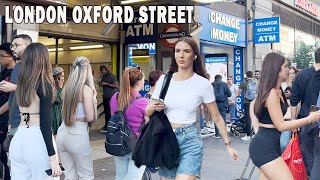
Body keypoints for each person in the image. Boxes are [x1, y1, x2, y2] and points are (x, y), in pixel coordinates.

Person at [146, 37, 239, 180]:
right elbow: (147, 112)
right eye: (177, 51)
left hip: (190, 140)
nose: (181, 55)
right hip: (166, 139)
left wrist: (228, 145)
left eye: (186, 51)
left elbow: (217, 116)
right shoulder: (165, 80)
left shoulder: (202, 84)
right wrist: (153, 106)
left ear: (194, 56)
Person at [249, 52, 320, 180]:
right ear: (276, 69)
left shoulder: (278, 90)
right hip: (264, 147)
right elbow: (281, 125)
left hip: (270, 145)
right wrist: (309, 119)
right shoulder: (272, 93)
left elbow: (277, 114)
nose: (289, 69)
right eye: (285, 66)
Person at [9, 43, 62, 179]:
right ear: (44, 59)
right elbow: (45, 124)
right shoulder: (45, 86)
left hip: (19, 138)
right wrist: (53, 158)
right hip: (37, 139)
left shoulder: (21, 85)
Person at [56, 57, 97, 180]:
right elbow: (90, 117)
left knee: (70, 175)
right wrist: (94, 99)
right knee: (86, 175)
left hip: (62, 132)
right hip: (78, 134)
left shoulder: (66, 89)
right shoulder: (86, 89)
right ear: (87, 70)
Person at [109, 66, 149, 180]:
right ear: (139, 82)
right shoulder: (142, 102)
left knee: (120, 177)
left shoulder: (115, 98)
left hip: (119, 143)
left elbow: (114, 119)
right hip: (137, 145)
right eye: (143, 80)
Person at [291, 47, 320, 179]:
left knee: (308, 157)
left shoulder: (301, 75)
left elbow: (294, 101)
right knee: (318, 160)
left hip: (305, 121)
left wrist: (293, 123)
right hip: (316, 122)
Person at [0, 34, 32, 140]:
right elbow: (12, 99)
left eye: (16, 45)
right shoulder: (17, 67)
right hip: (12, 123)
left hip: (27, 124)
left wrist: (15, 88)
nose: (13, 48)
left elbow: (41, 92)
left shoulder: (35, 67)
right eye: (12, 46)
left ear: (28, 47)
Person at [0, 42, 15, 180]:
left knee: (8, 156)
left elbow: (13, 100)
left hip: (8, 120)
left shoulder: (17, 73)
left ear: (11, 57)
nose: (0, 58)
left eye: (2, 56)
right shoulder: (3, 72)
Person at [279, 67, 299, 153]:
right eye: (290, 73)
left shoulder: (298, 85)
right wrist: (285, 96)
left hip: (294, 117)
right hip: (284, 117)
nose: (291, 75)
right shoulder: (282, 85)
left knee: (294, 143)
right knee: (283, 144)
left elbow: (299, 102)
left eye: (293, 73)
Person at [99, 65, 119, 132]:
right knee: (106, 112)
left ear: (106, 69)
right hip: (105, 96)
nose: (102, 73)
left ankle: (111, 127)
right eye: (101, 72)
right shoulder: (103, 76)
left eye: (103, 71)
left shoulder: (111, 76)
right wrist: (101, 84)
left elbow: (116, 85)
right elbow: (103, 84)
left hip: (111, 96)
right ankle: (106, 126)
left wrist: (107, 84)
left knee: (110, 112)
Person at [212, 74, 231, 138]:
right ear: (221, 78)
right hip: (223, 104)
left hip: (214, 104)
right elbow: (229, 94)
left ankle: (217, 134)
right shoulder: (224, 84)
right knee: (223, 118)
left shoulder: (211, 84)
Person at [239, 71, 256, 140]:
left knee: (248, 118)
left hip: (247, 102)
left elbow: (239, 92)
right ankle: (254, 133)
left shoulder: (244, 82)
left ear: (246, 75)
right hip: (255, 102)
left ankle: (248, 135)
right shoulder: (256, 82)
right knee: (254, 118)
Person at [52, 67, 64, 138]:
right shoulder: (52, 88)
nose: (63, 78)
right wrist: (60, 87)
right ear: (57, 78)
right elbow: (59, 100)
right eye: (62, 76)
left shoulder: (58, 89)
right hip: (54, 119)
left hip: (59, 117)